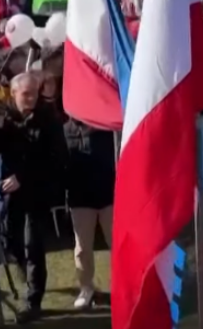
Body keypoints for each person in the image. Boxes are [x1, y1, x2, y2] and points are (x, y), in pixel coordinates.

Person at [0, 73, 69, 323]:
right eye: (25, 94)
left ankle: (33, 301)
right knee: (11, 243)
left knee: (33, 246)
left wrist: (23, 176)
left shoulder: (48, 119)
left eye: (34, 93)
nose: (30, 98)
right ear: (14, 93)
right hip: (11, 197)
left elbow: (57, 159)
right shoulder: (5, 118)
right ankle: (26, 275)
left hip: (38, 193)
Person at [64, 118, 115, 309]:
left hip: (109, 195)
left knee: (118, 244)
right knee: (83, 248)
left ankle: (125, 286)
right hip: (80, 199)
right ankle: (86, 288)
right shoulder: (65, 131)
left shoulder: (108, 128)